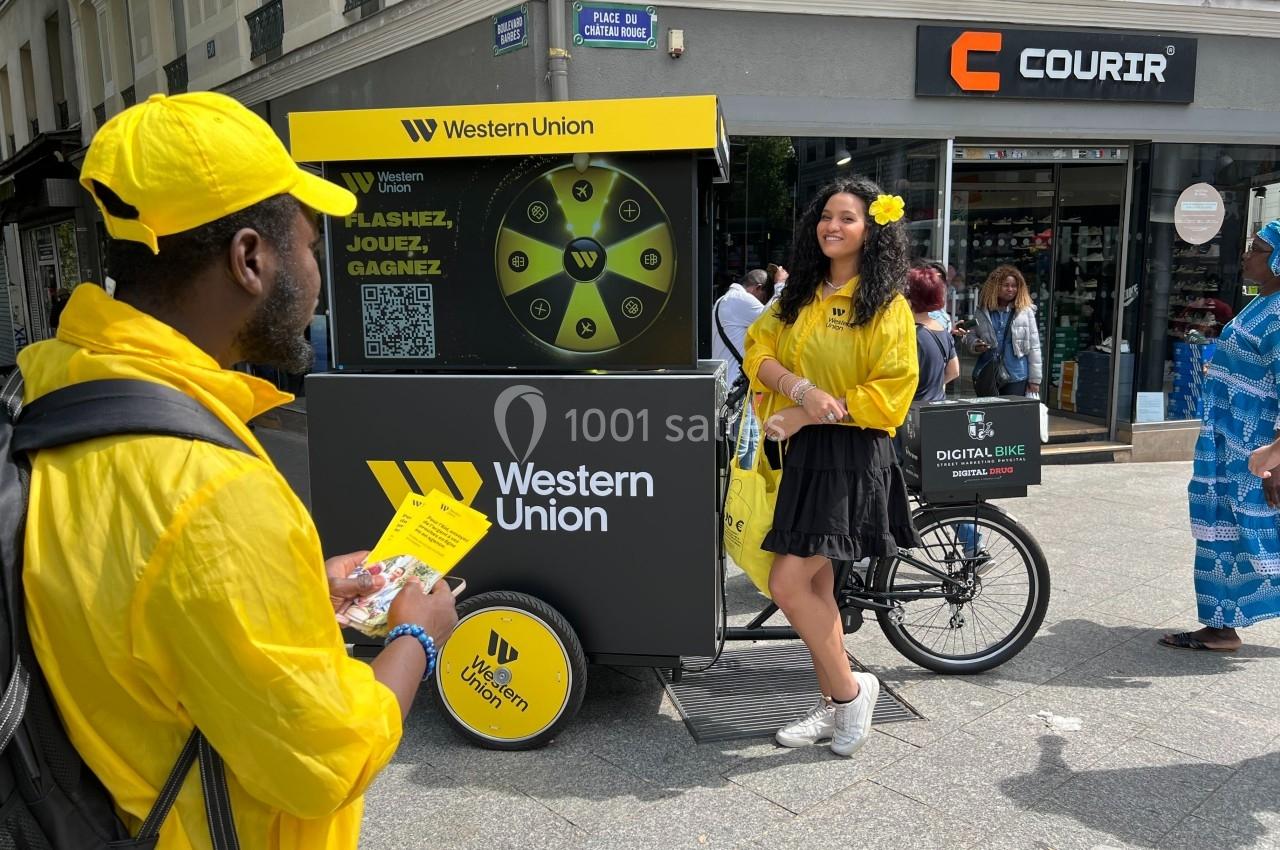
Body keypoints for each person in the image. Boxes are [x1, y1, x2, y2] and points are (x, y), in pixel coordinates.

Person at [20, 91, 458, 849]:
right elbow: (319, 760)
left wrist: (293, 594)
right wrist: (416, 641)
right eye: (311, 246)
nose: (317, 276)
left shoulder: (57, 388)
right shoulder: (211, 493)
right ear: (250, 259)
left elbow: (137, 615)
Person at [743, 176, 919, 757]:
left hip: (852, 456)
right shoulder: (799, 296)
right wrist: (797, 391)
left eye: (847, 218)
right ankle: (834, 706)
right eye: (826, 216)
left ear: (872, 232)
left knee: (786, 582)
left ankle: (850, 692)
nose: (832, 226)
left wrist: (810, 414)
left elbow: (893, 392)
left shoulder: (886, 306)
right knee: (817, 584)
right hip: (805, 456)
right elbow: (757, 351)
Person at [1163, 221, 1280, 651]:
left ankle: (1221, 625)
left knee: (1254, 534)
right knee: (1221, 532)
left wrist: (1277, 459)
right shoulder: (1260, 303)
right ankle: (1220, 625)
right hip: (1229, 444)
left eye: (1258, 250)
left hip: (1256, 450)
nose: (1247, 256)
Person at [961, 265, 1042, 397]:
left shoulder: (1025, 312)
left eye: (1014, 286)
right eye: (1006, 285)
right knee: (990, 416)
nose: (1010, 289)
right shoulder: (982, 311)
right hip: (988, 372)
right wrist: (976, 344)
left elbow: (1035, 347)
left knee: (1011, 416)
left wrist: (1035, 380)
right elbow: (970, 334)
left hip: (1016, 375)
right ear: (995, 287)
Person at [906, 265, 960, 402]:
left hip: (913, 410)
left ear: (910, 299)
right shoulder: (943, 331)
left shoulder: (910, 334)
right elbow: (954, 371)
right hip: (937, 405)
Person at [712, 268, 769, 386]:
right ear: (758, 288)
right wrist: (780, 286)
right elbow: (775, 320)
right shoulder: (741, 299)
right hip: (734, 383)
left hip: (727, 381)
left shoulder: (725, 299)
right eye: (765, 295)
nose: (764, 301)